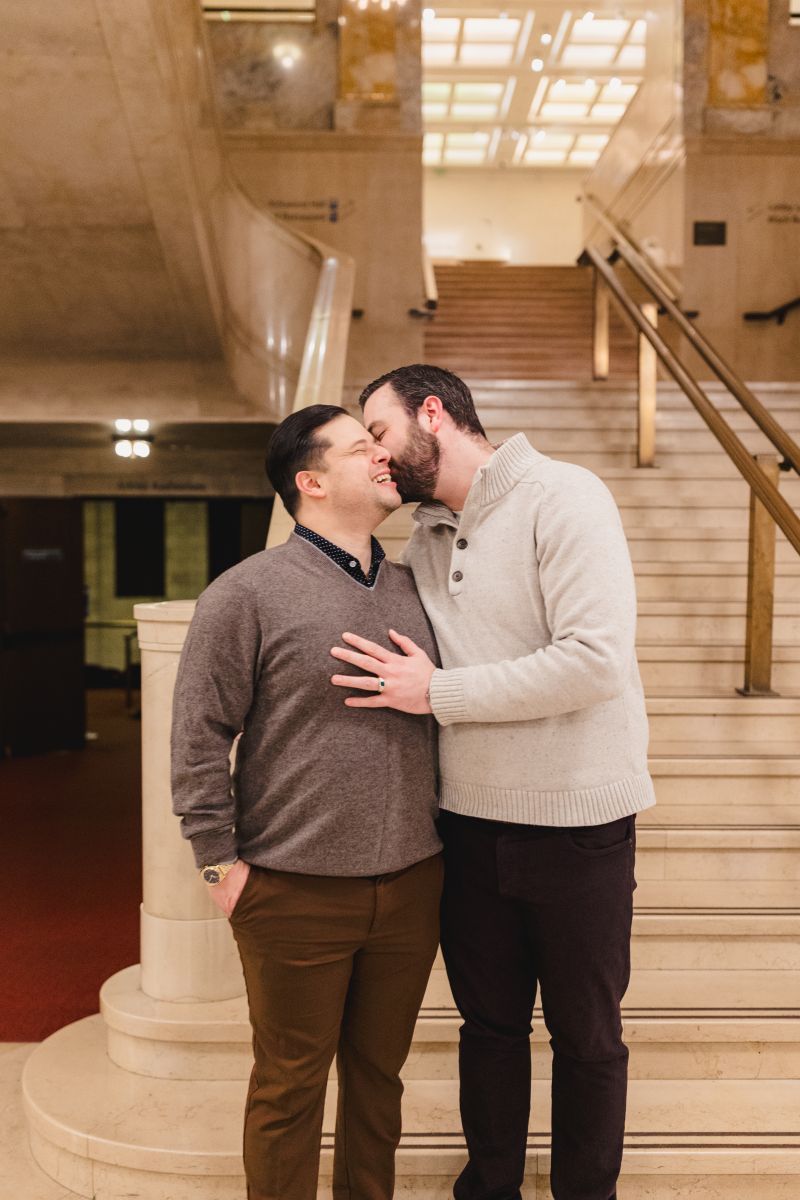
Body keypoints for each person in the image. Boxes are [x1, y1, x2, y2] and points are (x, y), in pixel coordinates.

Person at [329, 364, 656, 1200]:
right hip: (467, 826)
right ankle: (491, 1188)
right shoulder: (424, 538)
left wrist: (439, 695)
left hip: (580, 824)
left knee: (587, 1036)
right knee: (490, 1028)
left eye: (379, 431)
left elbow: (593, 661)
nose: (374, 453)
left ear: (432, 413)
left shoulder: (566, 496)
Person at [170, 403, 443, 1200]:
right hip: (291, 890)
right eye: (365, 448)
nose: (384, 458)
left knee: (378, 1081)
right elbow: (196, 735)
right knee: (290, 1088)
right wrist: (220, 866)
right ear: (311, 482)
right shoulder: (246, 592)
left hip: (413, 884)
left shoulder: (413, 588)